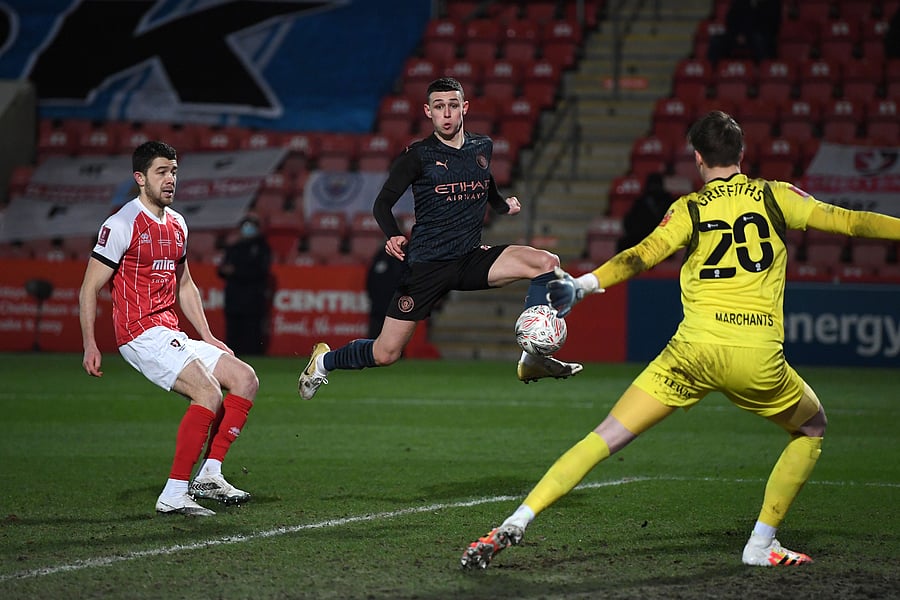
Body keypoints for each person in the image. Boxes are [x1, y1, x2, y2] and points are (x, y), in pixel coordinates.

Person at [460, 111, 900, 569]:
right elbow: (851, 222)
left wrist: (584, 284)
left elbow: (641, 255)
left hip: (690, 353)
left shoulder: (690, 208)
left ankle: (518, 519)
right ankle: (760, 544)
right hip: (756, 356)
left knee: (603, 437)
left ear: (697, 158)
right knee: (811, 430)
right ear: (742, 154)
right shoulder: (776, 196)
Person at [297, 77, 582, 400]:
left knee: (547, 263)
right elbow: (382, 204)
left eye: (452, 106)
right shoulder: (418, 156)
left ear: (464, 108)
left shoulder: (482, 147)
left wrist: (503, 206)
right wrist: (392, 235)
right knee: (385, 353)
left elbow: (483, 183)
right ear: (428, 112)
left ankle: (532, 357)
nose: (446, 113)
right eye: (438, 107)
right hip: (426, 266)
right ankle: (324, 361)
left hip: (470, 259)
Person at [79, 141, 258, 517]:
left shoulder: (177, 223)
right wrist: (90, 343)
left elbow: (185, 285)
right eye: (162, 172)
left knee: (244, 378)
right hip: (139, 332)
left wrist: (207, 336)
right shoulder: (121, 224)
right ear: (140, 178)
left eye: (174, 171)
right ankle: (174, 493)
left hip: (171, 330)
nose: (171, 179)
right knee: (208, 394)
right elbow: (88, 288)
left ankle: (209, 475)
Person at [217, 214, 272, 355]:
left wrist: (236, 271)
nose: (248, 230)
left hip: (253, 296)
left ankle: (255, 357)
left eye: (251, 226)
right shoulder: (234, 248)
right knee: (233, 330)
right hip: (234, 296)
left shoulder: (262, 248)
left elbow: (261, 271)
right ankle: (231, 357)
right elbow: (221, 269)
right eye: (245, 226)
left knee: (252, 331)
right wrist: (226, 271)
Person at [707, 0, 781, 66]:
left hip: (759, 35)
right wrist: (737, 35)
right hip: (738, 35)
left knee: (758, 39)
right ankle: (711, 70)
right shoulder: (740, 1)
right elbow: (730, 19)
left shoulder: (772, 2)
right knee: (716, 40)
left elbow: (771, 25)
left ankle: (763, 70)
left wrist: (746, 35)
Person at [616, 172, 674, 252]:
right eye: (652, 185)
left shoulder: (669, 202)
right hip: (642, 238)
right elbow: (629, 222)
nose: (654, 188)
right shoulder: (641, 201)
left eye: (656, 185)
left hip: (662, 239)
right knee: (623, 244)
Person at [365, 246, 405, 338]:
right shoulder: (380, 256)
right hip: (377, 310)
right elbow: (370, 281)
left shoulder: (404, 257)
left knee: (395, 342)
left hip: (395, 310)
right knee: (373, 342)